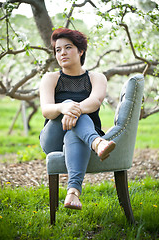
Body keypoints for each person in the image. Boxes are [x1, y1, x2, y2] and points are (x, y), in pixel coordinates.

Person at [39, 28, 116, 210]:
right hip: (53, 139)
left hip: (80, 137)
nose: (62, 53)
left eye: (68, 47)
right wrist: (62, 107)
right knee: (73, 111)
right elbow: (46, 110)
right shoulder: (51, 78)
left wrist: (72, 110)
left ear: (81, 51)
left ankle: (73, 193)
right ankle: (97, 143)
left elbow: (95, 102)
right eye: (58, 50)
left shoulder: (96, 78)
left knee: (74, 131)